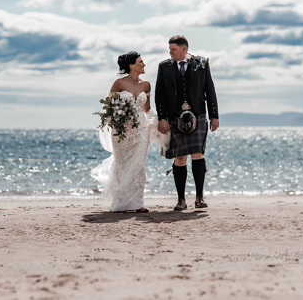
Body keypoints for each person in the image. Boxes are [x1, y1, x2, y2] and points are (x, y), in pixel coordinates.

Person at [155, 35, 219, 211]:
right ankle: (181, 200)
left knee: (197, 154)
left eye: (173, 49)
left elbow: (210, 90)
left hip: (197, 114)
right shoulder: (164, 66)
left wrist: (214, 115)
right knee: (180, 157)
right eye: (170, 49)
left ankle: (199, 197)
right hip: (175, 116)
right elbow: (159, 94)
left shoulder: (202, 63)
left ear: (184, 49)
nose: (170, 52)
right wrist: (162, 118)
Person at [91, 51, 153, 213]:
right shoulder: (118, 83)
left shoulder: (146, 85)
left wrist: (159, 122)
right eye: (141, 61)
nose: (144, 64)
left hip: (141, 130)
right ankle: (120, 202)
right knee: (122, 164)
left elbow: (147, 109)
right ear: (132, 65)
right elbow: (108, 107)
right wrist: (119, 119)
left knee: (139, 165)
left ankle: (138, 203)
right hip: (121, 131)